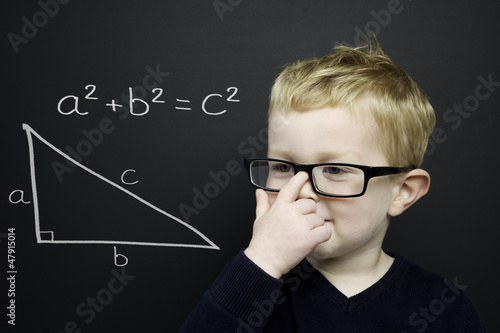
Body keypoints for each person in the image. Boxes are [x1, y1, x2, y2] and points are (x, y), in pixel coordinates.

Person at [180, 34, 486, 332]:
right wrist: (261, 261)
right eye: (284, 166)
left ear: (402, 192)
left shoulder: (444, 308)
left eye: (336, 170)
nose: (300, 190)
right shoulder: (251, 290)